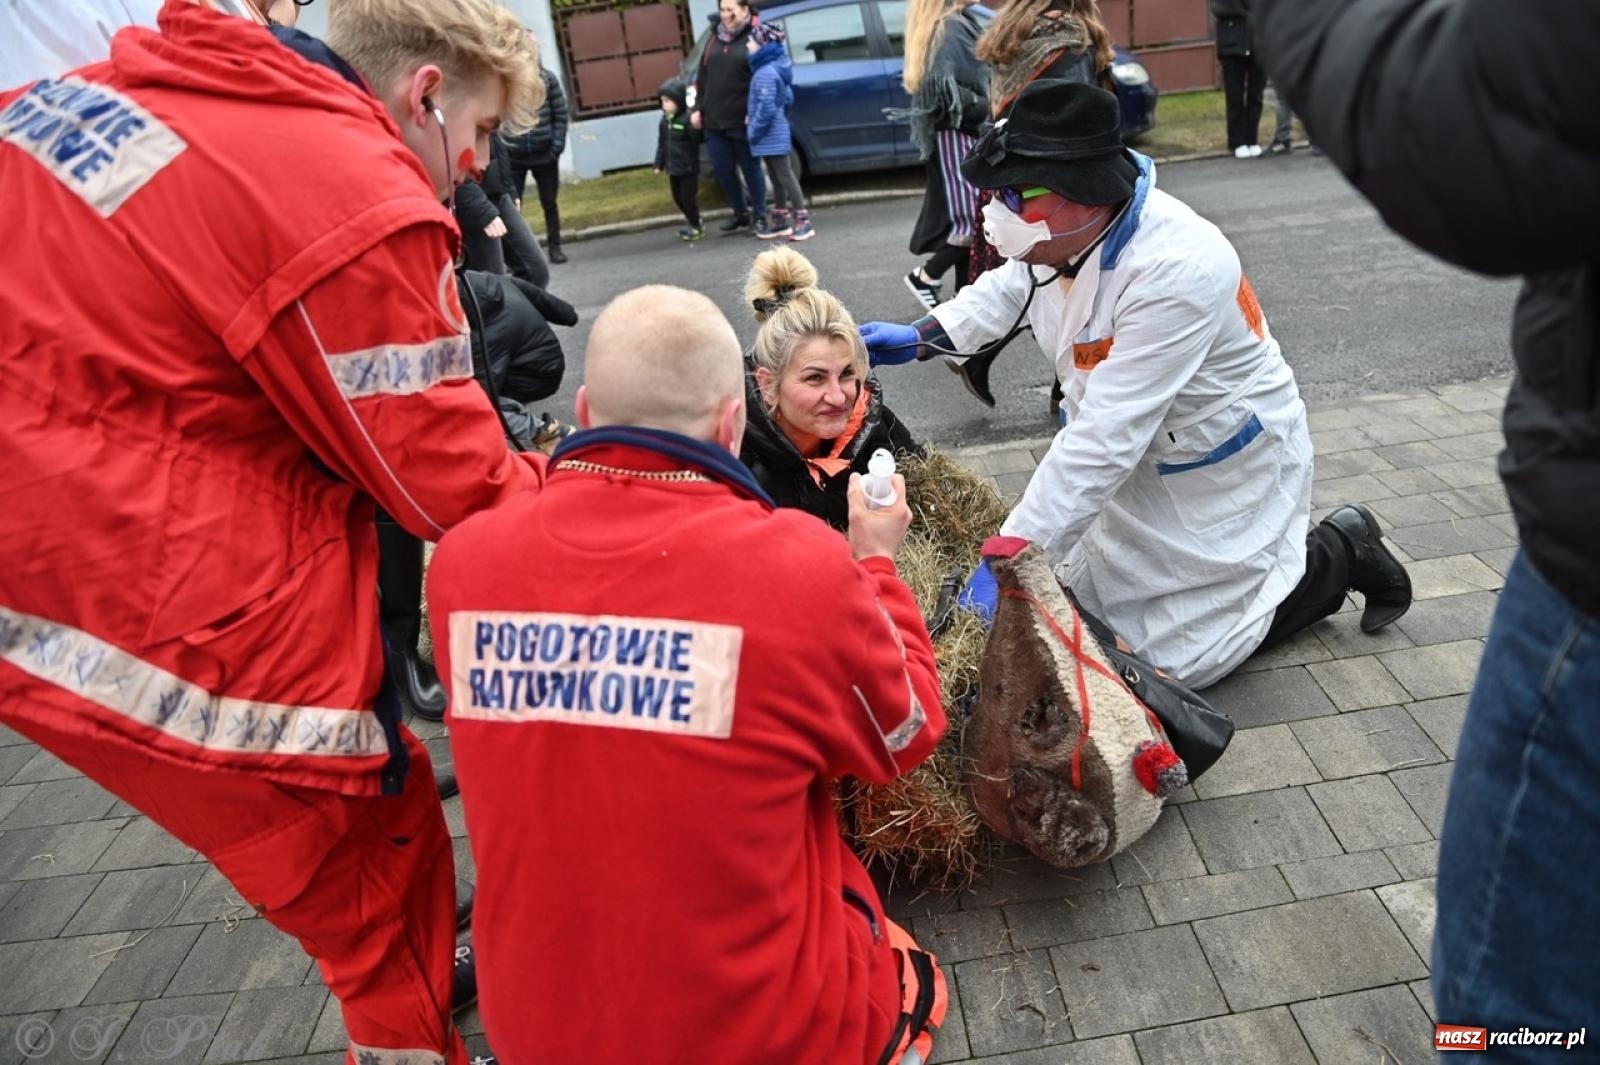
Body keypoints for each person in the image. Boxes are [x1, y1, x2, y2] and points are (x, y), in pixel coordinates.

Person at [0, 2, 548, 1062]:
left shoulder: (195, 87)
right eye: (479, 131)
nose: (478, 166)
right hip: (122, 566)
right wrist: (604, 485)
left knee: (372, 817)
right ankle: (404, 1033)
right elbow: (450, 486)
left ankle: (411, 981)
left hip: (64, 499)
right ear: (424, 95)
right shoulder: (351, 187)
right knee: (358, 841)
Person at [427, 284, 950, 1065]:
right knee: (900, 962)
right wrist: (875, 564)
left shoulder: (464, 562)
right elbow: (905, 732)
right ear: (734, 421)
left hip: (536, 1022)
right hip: (755, 1034)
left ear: (585, 409)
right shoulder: (798, 569)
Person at [1251, 0, 1600, 1050]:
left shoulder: (1167, 260)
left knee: (1508, 1007)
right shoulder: (1057, 245)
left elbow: (1480, 121)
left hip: (1585, 576)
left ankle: (1338, 549)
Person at [859, 80, 1413, 688]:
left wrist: (1007, 558)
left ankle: (1340, 551)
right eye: (997, 193)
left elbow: (1102, 443)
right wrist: (928, 334)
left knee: (1183, 661)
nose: (999, 212)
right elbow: (1014, 285)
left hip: (1214, 460)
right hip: (1144, 459)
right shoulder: (1068, 237)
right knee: (1096, 604)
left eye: (1017, 195)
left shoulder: (1178, 270)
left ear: (1085, 193)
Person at [740, 246, 919, 529]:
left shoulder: (878, 429)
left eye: (846, 373)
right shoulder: (733, 464)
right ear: (768, 385)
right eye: (815, 378)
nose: (837, 398)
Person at [900, 0, 989, 310]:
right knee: (972, 222)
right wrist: (983, 104)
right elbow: (941, 88)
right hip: (956, 132)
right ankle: (925, 277)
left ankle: (964, 296)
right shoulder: (950, 28)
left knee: (973, 220)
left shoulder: (960, 21)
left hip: (962, 130)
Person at [692, 0, 767, 234]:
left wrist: (754, 112)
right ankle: (740, 212)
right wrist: (697, 108)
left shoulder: (755, 37)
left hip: (742, 119)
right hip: (714, 120)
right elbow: (702, 77)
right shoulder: (714, 38)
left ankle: (760, 215)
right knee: (723, 170)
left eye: (730, 10)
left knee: (751, 169)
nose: (725, 15)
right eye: (722, 10)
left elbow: (762, 79)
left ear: (745, 10)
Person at [747, 29, 814, 241]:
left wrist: (753, 128)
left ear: (763, 45)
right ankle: (780, 221)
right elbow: (787, 98)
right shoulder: (775, 68)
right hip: (774, 131)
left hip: (770, 132)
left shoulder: (765, 73)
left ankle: (803, 221)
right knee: (776, 176)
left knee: (785, 175)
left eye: (751, 41)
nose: (747, 44)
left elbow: (766, 107)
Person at [506, 64, 569, 263]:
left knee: (549, 203)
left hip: (545, 155)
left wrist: (555, 148)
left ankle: (555, 248)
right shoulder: (508, 77)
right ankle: (518, 257)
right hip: (515, 156)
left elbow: (560, 115)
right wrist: (505, 149)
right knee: (512, 206)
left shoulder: (547, 79)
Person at [1210, 0, 1264, 158]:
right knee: (1235, 96)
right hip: (1232, 44)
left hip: (1258, 44)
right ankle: (1237, 141)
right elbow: (1218, 7)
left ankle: (1252, 139)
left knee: (1256, 95)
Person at [654, 76, 705, 240]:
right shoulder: (664, 122)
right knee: (677, 198)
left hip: (688, 167)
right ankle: (692, 221)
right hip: (673, 168)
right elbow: (662, 144)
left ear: (678, 101)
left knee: (688, 198)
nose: (664, 105)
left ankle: (696, 225)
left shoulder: (686, 120)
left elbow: (697, 139)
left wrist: (696, 127)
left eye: (667, 101)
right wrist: (659, 163)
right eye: (662, 101)